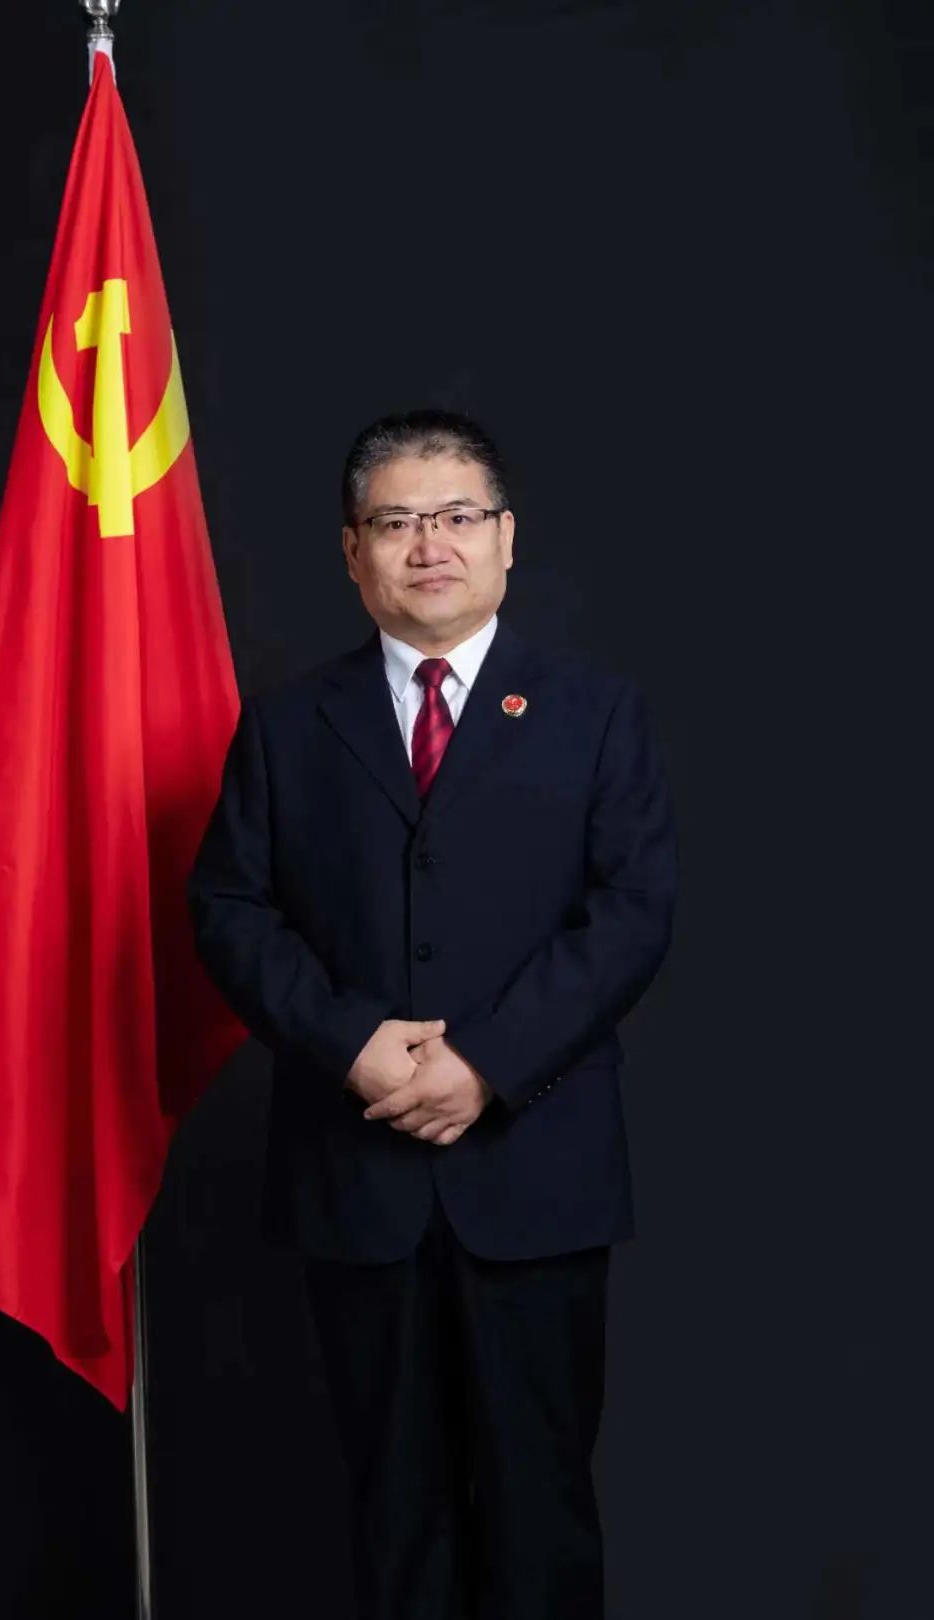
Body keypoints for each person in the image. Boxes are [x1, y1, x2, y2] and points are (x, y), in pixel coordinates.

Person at [187, 409, 679, 1620]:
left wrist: (489, 1063)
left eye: (458, 516)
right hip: (357, 1177)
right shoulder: (288, 725)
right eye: (397, 521)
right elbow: (230, 909)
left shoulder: (595, 712)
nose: (430, 545)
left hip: (536, 1170)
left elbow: (632, 913)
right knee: (392, 1514)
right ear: (352, 552)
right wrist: (349, 1040)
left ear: (507, 538)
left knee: (539, 1508)